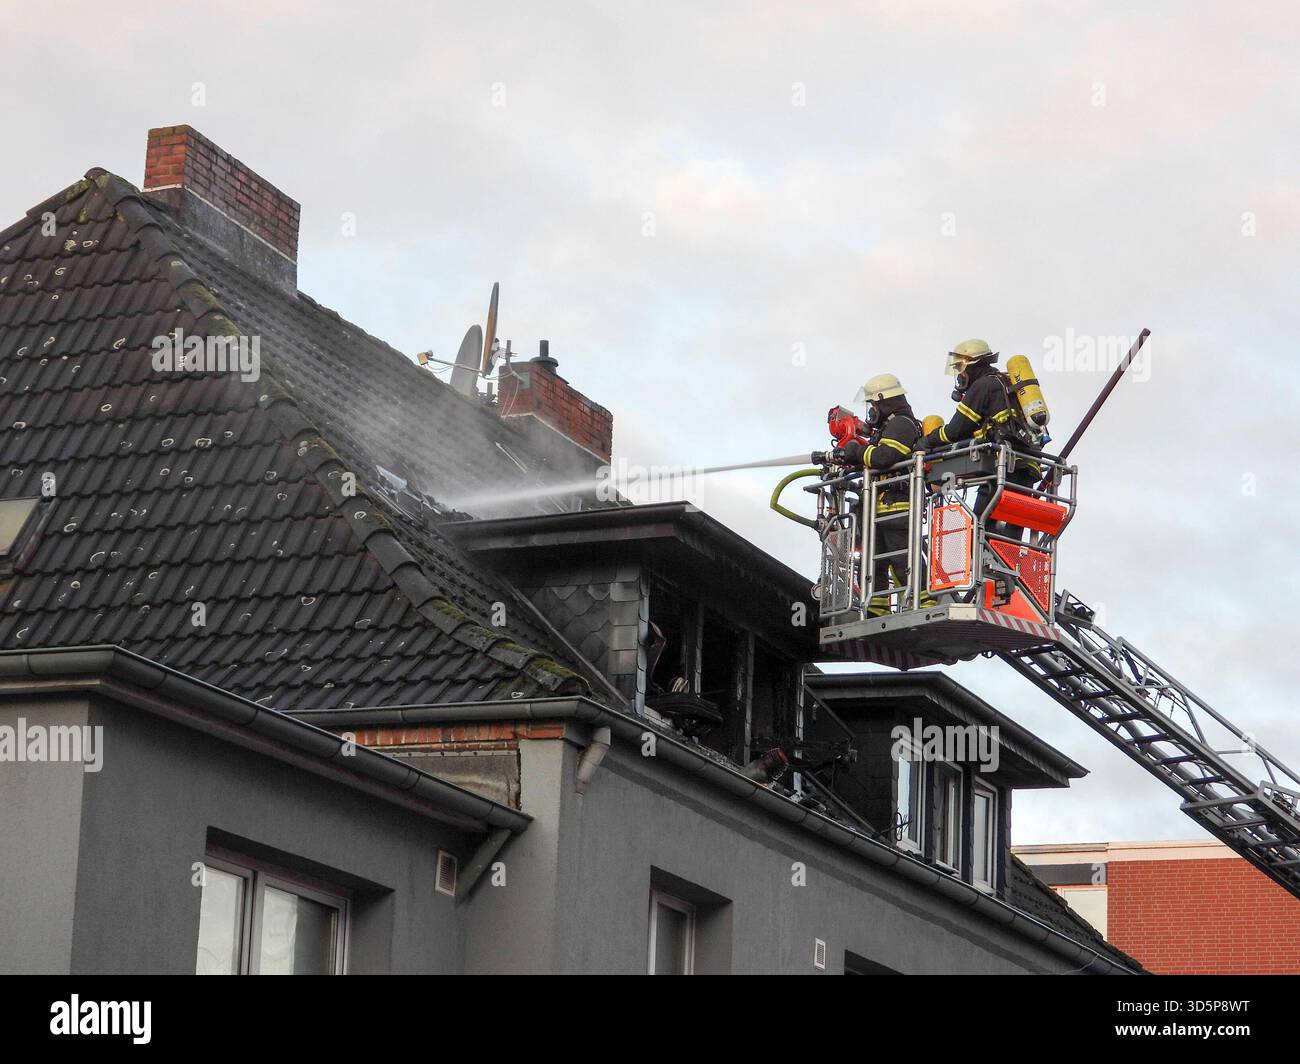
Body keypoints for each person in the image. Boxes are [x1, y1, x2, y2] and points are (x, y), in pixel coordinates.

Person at [838, 374, 934, 616]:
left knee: (902, 558)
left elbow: (884, 458)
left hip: (896, 505)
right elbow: (875, 458)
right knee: (874, 561)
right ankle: (877, 607)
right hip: (879, 506)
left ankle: (921, 604)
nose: (871, 411)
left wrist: (857, 452)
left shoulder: (901, 424)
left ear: (883, 401)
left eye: (872, 405)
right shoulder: (887, 428)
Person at [919, 338, 1042, 525]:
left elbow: (955, 430)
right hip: (1025, 467)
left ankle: (981, 554)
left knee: (980, 530)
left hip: (1002, 469)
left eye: (959, 368)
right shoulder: (1005, 382)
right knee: (1008, 534)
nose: (959, 375)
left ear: (971, 365)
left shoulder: (982, 386)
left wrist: (927, 442)